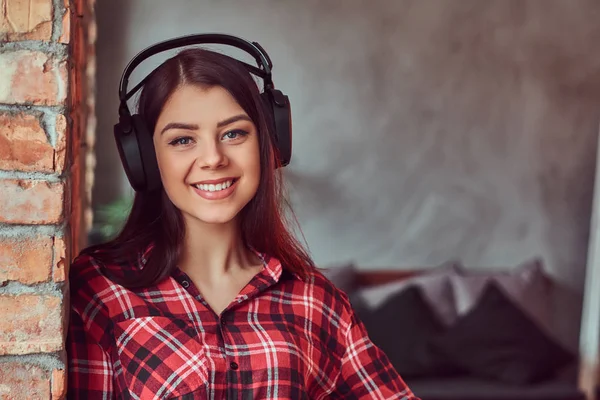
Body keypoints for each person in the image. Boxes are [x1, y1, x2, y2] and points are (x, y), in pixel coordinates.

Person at [67, 34, 418, 399]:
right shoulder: (102, 290)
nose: (214, 158)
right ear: (145, 159)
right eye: (182, 140)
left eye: (234, 133)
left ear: (269, 143)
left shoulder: (316, 302)